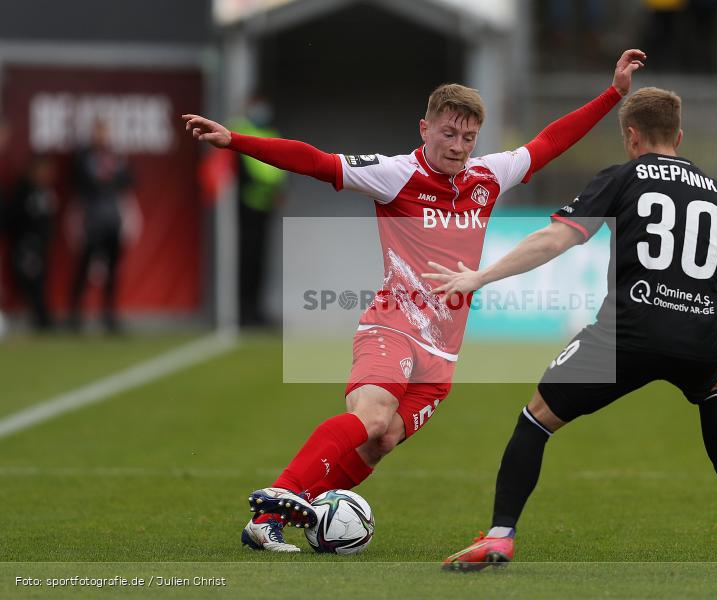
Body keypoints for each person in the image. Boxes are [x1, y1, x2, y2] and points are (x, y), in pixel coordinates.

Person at [183, 49, 646, 553]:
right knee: (374, 417)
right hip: (392, 325)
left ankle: (271, 519)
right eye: (449, 134)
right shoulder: (395, 174)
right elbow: (315, 161)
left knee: (379, 443)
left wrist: (613, 94)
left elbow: (550, 141)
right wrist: (235, 142)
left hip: (443, 352)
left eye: (468, 138)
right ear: (424, 128)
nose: (459, 146)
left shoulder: (488, 176)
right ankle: (281, 495)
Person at [428, 87, 717, 570]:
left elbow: (558, 237)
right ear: (678, 136)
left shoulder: (624, 177)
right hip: (702, 336)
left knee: (537, 418)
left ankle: (499, 536)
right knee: (711, 390)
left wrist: (480, 276)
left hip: (628, 334)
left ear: (631, 136)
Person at [67, 120, 135, 334]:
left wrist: (112, 178)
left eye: (105, 131)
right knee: (84, 267)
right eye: (98, 131)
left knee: (113, 270)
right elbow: (83, 182)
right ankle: (76, 316)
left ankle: (109, 316)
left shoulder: (116, 156)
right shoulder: (84, 156)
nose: (102, 136)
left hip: (112, 218)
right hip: (92, 218)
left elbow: (129, 181)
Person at [229, 97, 287, 327]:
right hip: (245, 207)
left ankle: (256, 310)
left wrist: (281, 189)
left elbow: (282, 167)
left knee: (260, 261)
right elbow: (243, 170)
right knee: (244, 260)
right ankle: (241, 311)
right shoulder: (240, 130)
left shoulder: (272, 133)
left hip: (266, 206)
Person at [7, 155, 59, 331]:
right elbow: (13, 217)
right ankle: (40, 318)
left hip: (41, 244)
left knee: (41, 280)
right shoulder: (23, 190)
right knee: (30, 280)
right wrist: (25, 239)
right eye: (43, 169)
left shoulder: (46, 191)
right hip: (25, 244)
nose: (46, 174)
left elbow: (48, 218)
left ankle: (42, 317)